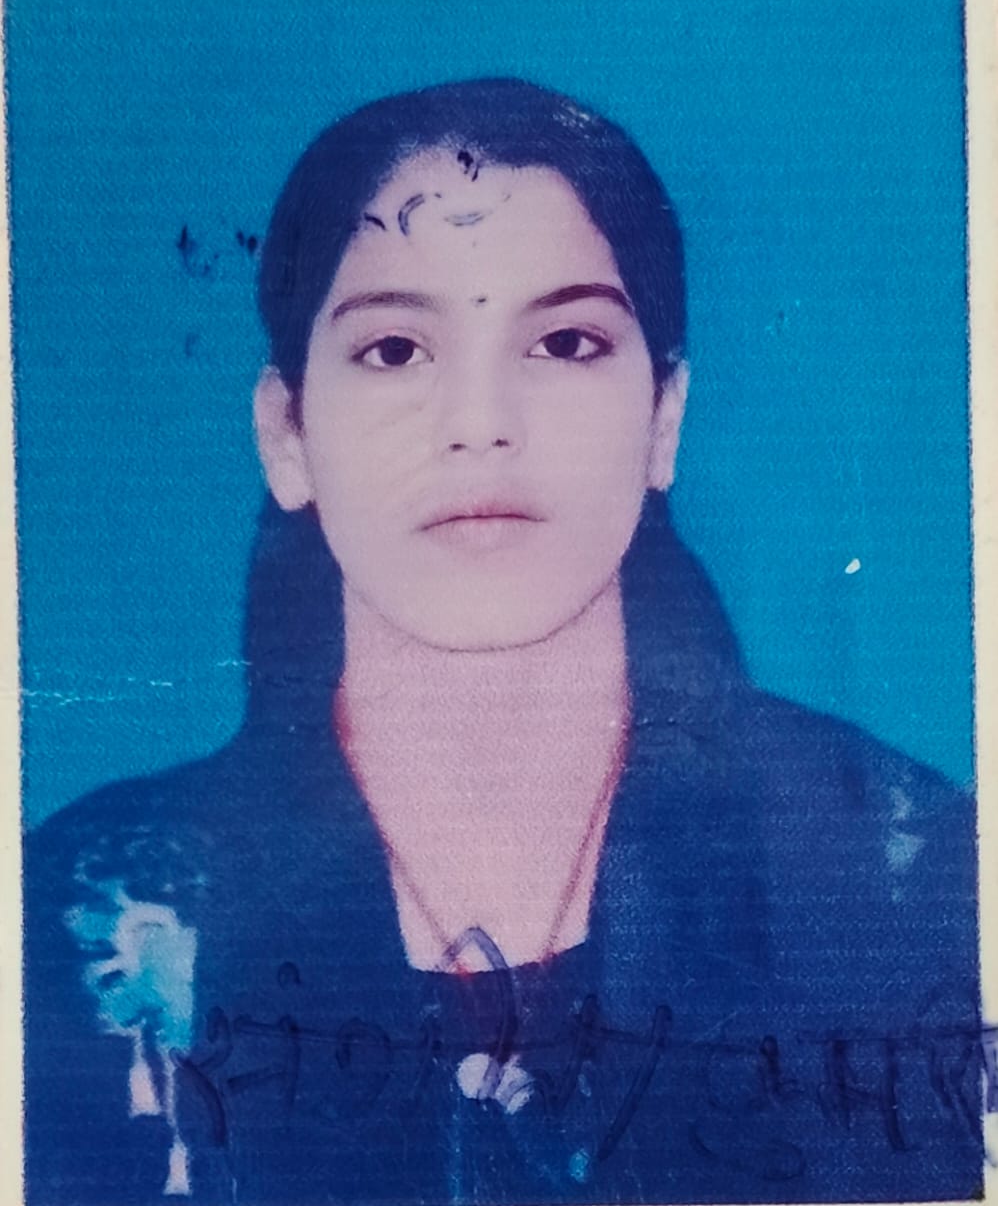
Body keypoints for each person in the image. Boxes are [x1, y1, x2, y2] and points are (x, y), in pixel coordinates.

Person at [23, 78, 982, 1205]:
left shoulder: (906, 876)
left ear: (664, 418)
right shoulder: (83, 926)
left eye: (565, 341)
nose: (479, 424)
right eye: (394, 350)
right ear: (286, 434)